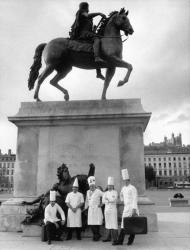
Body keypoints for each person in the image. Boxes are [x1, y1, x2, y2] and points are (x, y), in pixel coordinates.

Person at [70, 2, 106, 80]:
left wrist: (94, 29)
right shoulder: (80, 12)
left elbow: (88, 25)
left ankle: (98, 73)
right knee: (97, 39)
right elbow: (87, 16)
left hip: (88, 33)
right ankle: (96, 57)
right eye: (87, 7)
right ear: (84, 7)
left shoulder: (88, 19)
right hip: (83, 34)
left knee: (98, 45)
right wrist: (99, 13)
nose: (88, 9)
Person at [113, 168, 139, 246]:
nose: (125, 182)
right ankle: (120, 241)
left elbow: (135, 198)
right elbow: (121, 194)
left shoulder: (133, 188)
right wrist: (122, 200)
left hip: (132, 208)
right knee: (123, 225)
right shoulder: (123, 188)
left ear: (129, 180)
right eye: (124, 180)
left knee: (132, 225)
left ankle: (130, 240)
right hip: (126, 208)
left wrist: (134, 209)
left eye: (126, 180)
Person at [85, 176, 103, 241]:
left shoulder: (98, 191)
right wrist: (85, 208)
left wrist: (102, 204)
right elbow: (87, 200)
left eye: (92, 186)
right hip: (90, 209)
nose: (91, 187)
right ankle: (96, 234)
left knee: (96, 223)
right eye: (90, 186)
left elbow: (104, 196)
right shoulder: (87, 192)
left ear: (94, 185)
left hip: (97, 209)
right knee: (91, 223)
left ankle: (96, 236)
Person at [102, 176, 118, 245]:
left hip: (113, 210)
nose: (109, 187)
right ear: (107, 186)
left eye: (111, 186)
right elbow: (103, 201)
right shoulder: (105, 193)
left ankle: (115, 239)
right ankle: (108, 238)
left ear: (113, 186)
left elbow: (113, 200)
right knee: (108, 224)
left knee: (114, 224)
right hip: (107, 210)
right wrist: (108, 200)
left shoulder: (115, 192)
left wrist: (107, 200)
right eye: (108, 186)